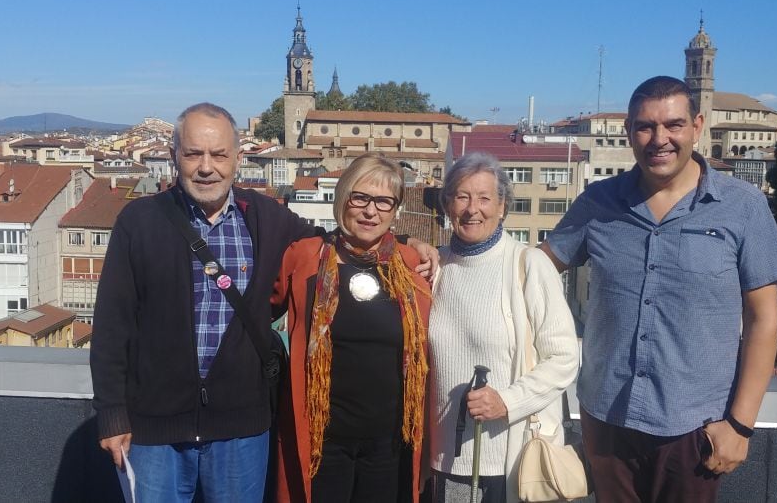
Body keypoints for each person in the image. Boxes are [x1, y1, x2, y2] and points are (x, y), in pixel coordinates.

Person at [90, 103, 437, 502]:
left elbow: (341, 239)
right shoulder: (139, 221)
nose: (207, 167)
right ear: (174, 156)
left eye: (219, 154)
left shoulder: (267, 218)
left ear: (238, 159)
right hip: (154, 429)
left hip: (240, 430)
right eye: (193, 154)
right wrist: (112, 414)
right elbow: (112, 325)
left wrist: (409, 244)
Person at [539, 76, 777, 503]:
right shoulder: (598, 202)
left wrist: (740, 425)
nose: (660, 139)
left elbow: (764, 320)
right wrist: (445, 256)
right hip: (607, 418)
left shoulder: (743, 206)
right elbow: (535, 268)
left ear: (697, 126)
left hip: (694, 428)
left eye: (673, 125)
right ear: (628, 132)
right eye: (645, 126)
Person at [272, 153, 432, 502]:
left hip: (390, 443)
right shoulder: (305, 257)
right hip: (321, 442)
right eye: (360, 197)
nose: (370, 211)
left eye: (384, 202)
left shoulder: (412, 266)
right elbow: (258, 313)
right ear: (342, 198)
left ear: (395, 210)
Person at [426, 152, 579, 503]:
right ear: (447, 205)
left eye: (484, 198)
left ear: (503, 206)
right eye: (462, 196)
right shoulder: (436, 266)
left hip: (510, 458)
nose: (472, 209)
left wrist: (507, 402)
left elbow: (564, 358)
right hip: (442, 456)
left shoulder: (528, 264)